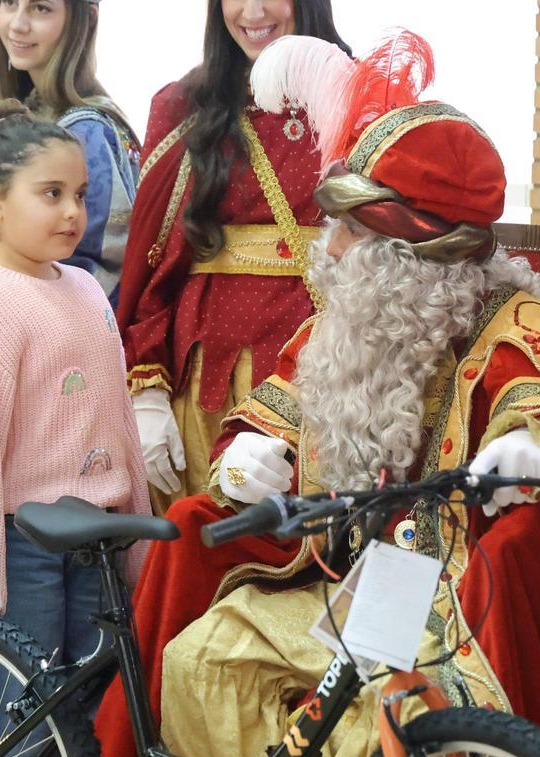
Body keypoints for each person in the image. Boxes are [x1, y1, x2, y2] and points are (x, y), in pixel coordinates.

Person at [97, 32, 540, 757]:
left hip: (447, 608)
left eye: (354, 228)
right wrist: (248, 455)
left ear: (415, 252)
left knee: (371, 734)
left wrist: (536, 458)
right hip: (330, 586)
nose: (332, 246)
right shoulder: (347, 323)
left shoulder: (511, 330)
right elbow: (271, 415)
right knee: (201, 663)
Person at [0, 102, 151, 757]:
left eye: (79, 194)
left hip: (96, 538)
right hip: (20, 547)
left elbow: (115, 424)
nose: (72, 211)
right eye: (50, 194)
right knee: (10, 725)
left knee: (77, 719)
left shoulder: (83, 290)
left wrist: (133, 526)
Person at [116, 0, 349, 505]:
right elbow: (154, 260)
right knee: (205, 543)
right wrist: (148, 388)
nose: (253, 10)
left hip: (323, 365)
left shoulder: (360, 96)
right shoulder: (184, 106)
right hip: (206, 373)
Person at [0, 0, 139, 299]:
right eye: (10, 3)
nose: (17, 24)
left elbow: (96, 266)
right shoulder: (30, 111)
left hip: (69, 328)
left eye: (41, 8)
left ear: (84, 20)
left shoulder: (86, 131)